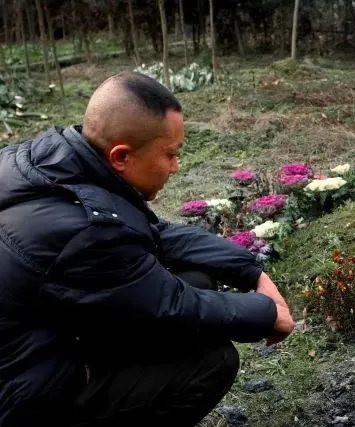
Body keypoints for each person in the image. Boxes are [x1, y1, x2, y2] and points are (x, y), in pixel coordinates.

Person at [0, 71, 295, 427]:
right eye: (170, 154)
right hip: (21, 392)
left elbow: (156, 233)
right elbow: (173, 305)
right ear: (121, 156)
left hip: (28, 344)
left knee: (198, 279)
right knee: (211, 362)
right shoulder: (89, 231)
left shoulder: (38, 162)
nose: (176, 166)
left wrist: (250, 270)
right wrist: (267, 314)